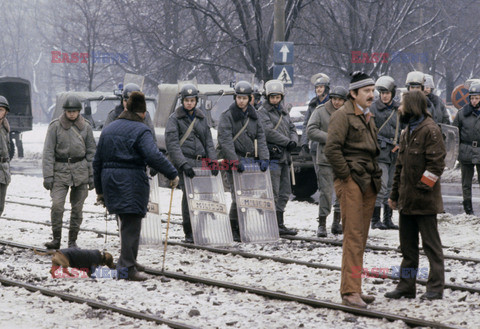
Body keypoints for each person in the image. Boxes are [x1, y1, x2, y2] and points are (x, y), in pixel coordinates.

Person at [93, 91, 178, 281]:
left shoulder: (109, 128)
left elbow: (96, 161)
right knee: (132, 224)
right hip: (131, 182)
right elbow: (153, 155)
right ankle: (128, 268)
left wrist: (99, 190)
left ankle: (129, 259)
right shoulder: (141, 130)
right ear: (141, 113)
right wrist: (171, 173)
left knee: (126, 223)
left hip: (110, 182)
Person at [325, 72, 381, 308]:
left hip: (368, 181)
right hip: (352, 181)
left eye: (373, 90)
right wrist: (346, 176)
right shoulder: (342, 115)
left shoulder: (368, 116)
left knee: (361, 237)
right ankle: (350, 292)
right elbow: (332, 149)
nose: (372, 95)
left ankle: (355, 287)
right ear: (354, 93)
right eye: (367, 91)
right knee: (353, 236)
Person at [386, 90, 446, 300]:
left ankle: (436, 288)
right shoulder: (406, 132)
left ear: (411, 106)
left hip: (425, 203)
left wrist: (421, 189)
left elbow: (436, 166)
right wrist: (394, 195)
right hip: (406, 203)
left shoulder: (431, 130)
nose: (399, 108)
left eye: (402, 104)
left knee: (432, 248)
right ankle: (406, 286)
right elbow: (400, 168)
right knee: (408, 249)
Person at [165, 84, 218, 243]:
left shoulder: (202, 118)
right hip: (185, 161)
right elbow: (172, 144)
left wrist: (213, 161)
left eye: (192, 100)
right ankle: (189, 231)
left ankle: (200, 229)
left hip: (201, 162)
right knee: (189, 197)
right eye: (187, 100)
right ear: (182, 101)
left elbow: (208, 142)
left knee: (204, 198)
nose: (189, 103)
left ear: (196, 101)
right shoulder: (174, 118)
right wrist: (182, 164)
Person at [217, 81, 270, 241]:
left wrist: (264, 158)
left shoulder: (255, 116)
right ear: (235, 98)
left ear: (249, 98)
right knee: (237, 194)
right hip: (234, 159)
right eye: (239, 97)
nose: (241, 101)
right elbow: (225, 141)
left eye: (244, 98)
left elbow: (261, 137)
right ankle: (233, 227)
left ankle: (242, 226)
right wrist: (234, 161)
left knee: (247, 195)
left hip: (249, 160)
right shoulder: (227, 116)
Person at [42, 95, 96, 249]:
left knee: (77, 209)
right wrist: (48, 176)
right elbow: (48, 153)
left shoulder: (86, 127)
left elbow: (91, 153)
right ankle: (56, 239)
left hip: (81, 170)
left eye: (75, 111)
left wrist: (92, 176)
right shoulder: (55, 127)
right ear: (64, 111)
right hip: (60, 170)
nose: (72, 114)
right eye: (69, 111)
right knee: (57, 206)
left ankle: (72, 241)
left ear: (79, 111)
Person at [257, 79, 298, 236]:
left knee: (285, 191)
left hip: (285, 157)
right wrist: (287, 141)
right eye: (272, 97)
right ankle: (271, 224)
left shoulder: (284, 111)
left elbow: (292, 127)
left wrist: (294, 140)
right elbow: (268, 132)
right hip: (273, 156)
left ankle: (280, 223)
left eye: (278, 97)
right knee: (273, 191)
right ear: (267, 97)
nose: (275, 100)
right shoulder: (262, 112)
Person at [306, 86, 348, 237]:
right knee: (326, 192)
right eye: (335, 99)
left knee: (342, 192)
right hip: (325, 158)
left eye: (340, 100)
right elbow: (310, 130)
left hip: (343, 158)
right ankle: (322, 224)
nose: (337, 102)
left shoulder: (349, 113)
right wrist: (329, 137)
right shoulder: (320, 110)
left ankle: (337, 223)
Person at [370, 76, 401, 230]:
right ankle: (375, 220)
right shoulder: (373, 108)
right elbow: (369, 130)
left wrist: (400, 143)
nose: (385, 95)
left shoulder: (399, 108)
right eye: (382, 92)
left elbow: (403, 128)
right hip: (380, 152)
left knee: (390, 187)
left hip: (394, 152)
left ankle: (388, 219)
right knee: (381, 186)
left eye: (387, 92)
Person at [452, 82, 480, 215]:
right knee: (466, 183)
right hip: (466, 150)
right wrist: (455, 153)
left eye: (477, 98)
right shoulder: (462, 113)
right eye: (472, 98)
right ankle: (468, 208)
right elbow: (454, 134)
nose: (474, 101)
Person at [300, 74, 330, 164]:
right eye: (317, 87)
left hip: (330, 144)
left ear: (326, 88)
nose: (318, 89)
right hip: (315, 146)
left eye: (321, 87)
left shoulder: (333, 102)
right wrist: (304, 142)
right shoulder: (312, 104)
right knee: (318, 174)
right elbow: (306, 124)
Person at [0, 96, 11, 217]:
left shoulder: (5, 127)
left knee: (0, 207)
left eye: (1, 109)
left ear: (6, 112)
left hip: (3, 172)